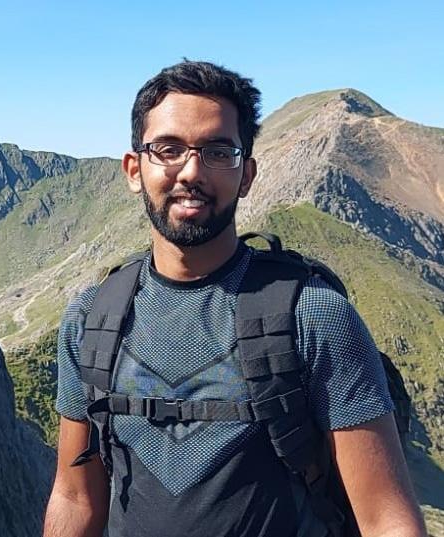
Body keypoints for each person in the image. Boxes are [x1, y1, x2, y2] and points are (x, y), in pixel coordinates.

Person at [43, 60, 426, 537]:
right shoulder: (90, 320)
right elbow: (75, 497)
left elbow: (387, 518)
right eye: (168, 149)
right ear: (134, 169)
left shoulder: (313, 315)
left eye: (218, 152)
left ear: (246, 175)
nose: (191, 171)